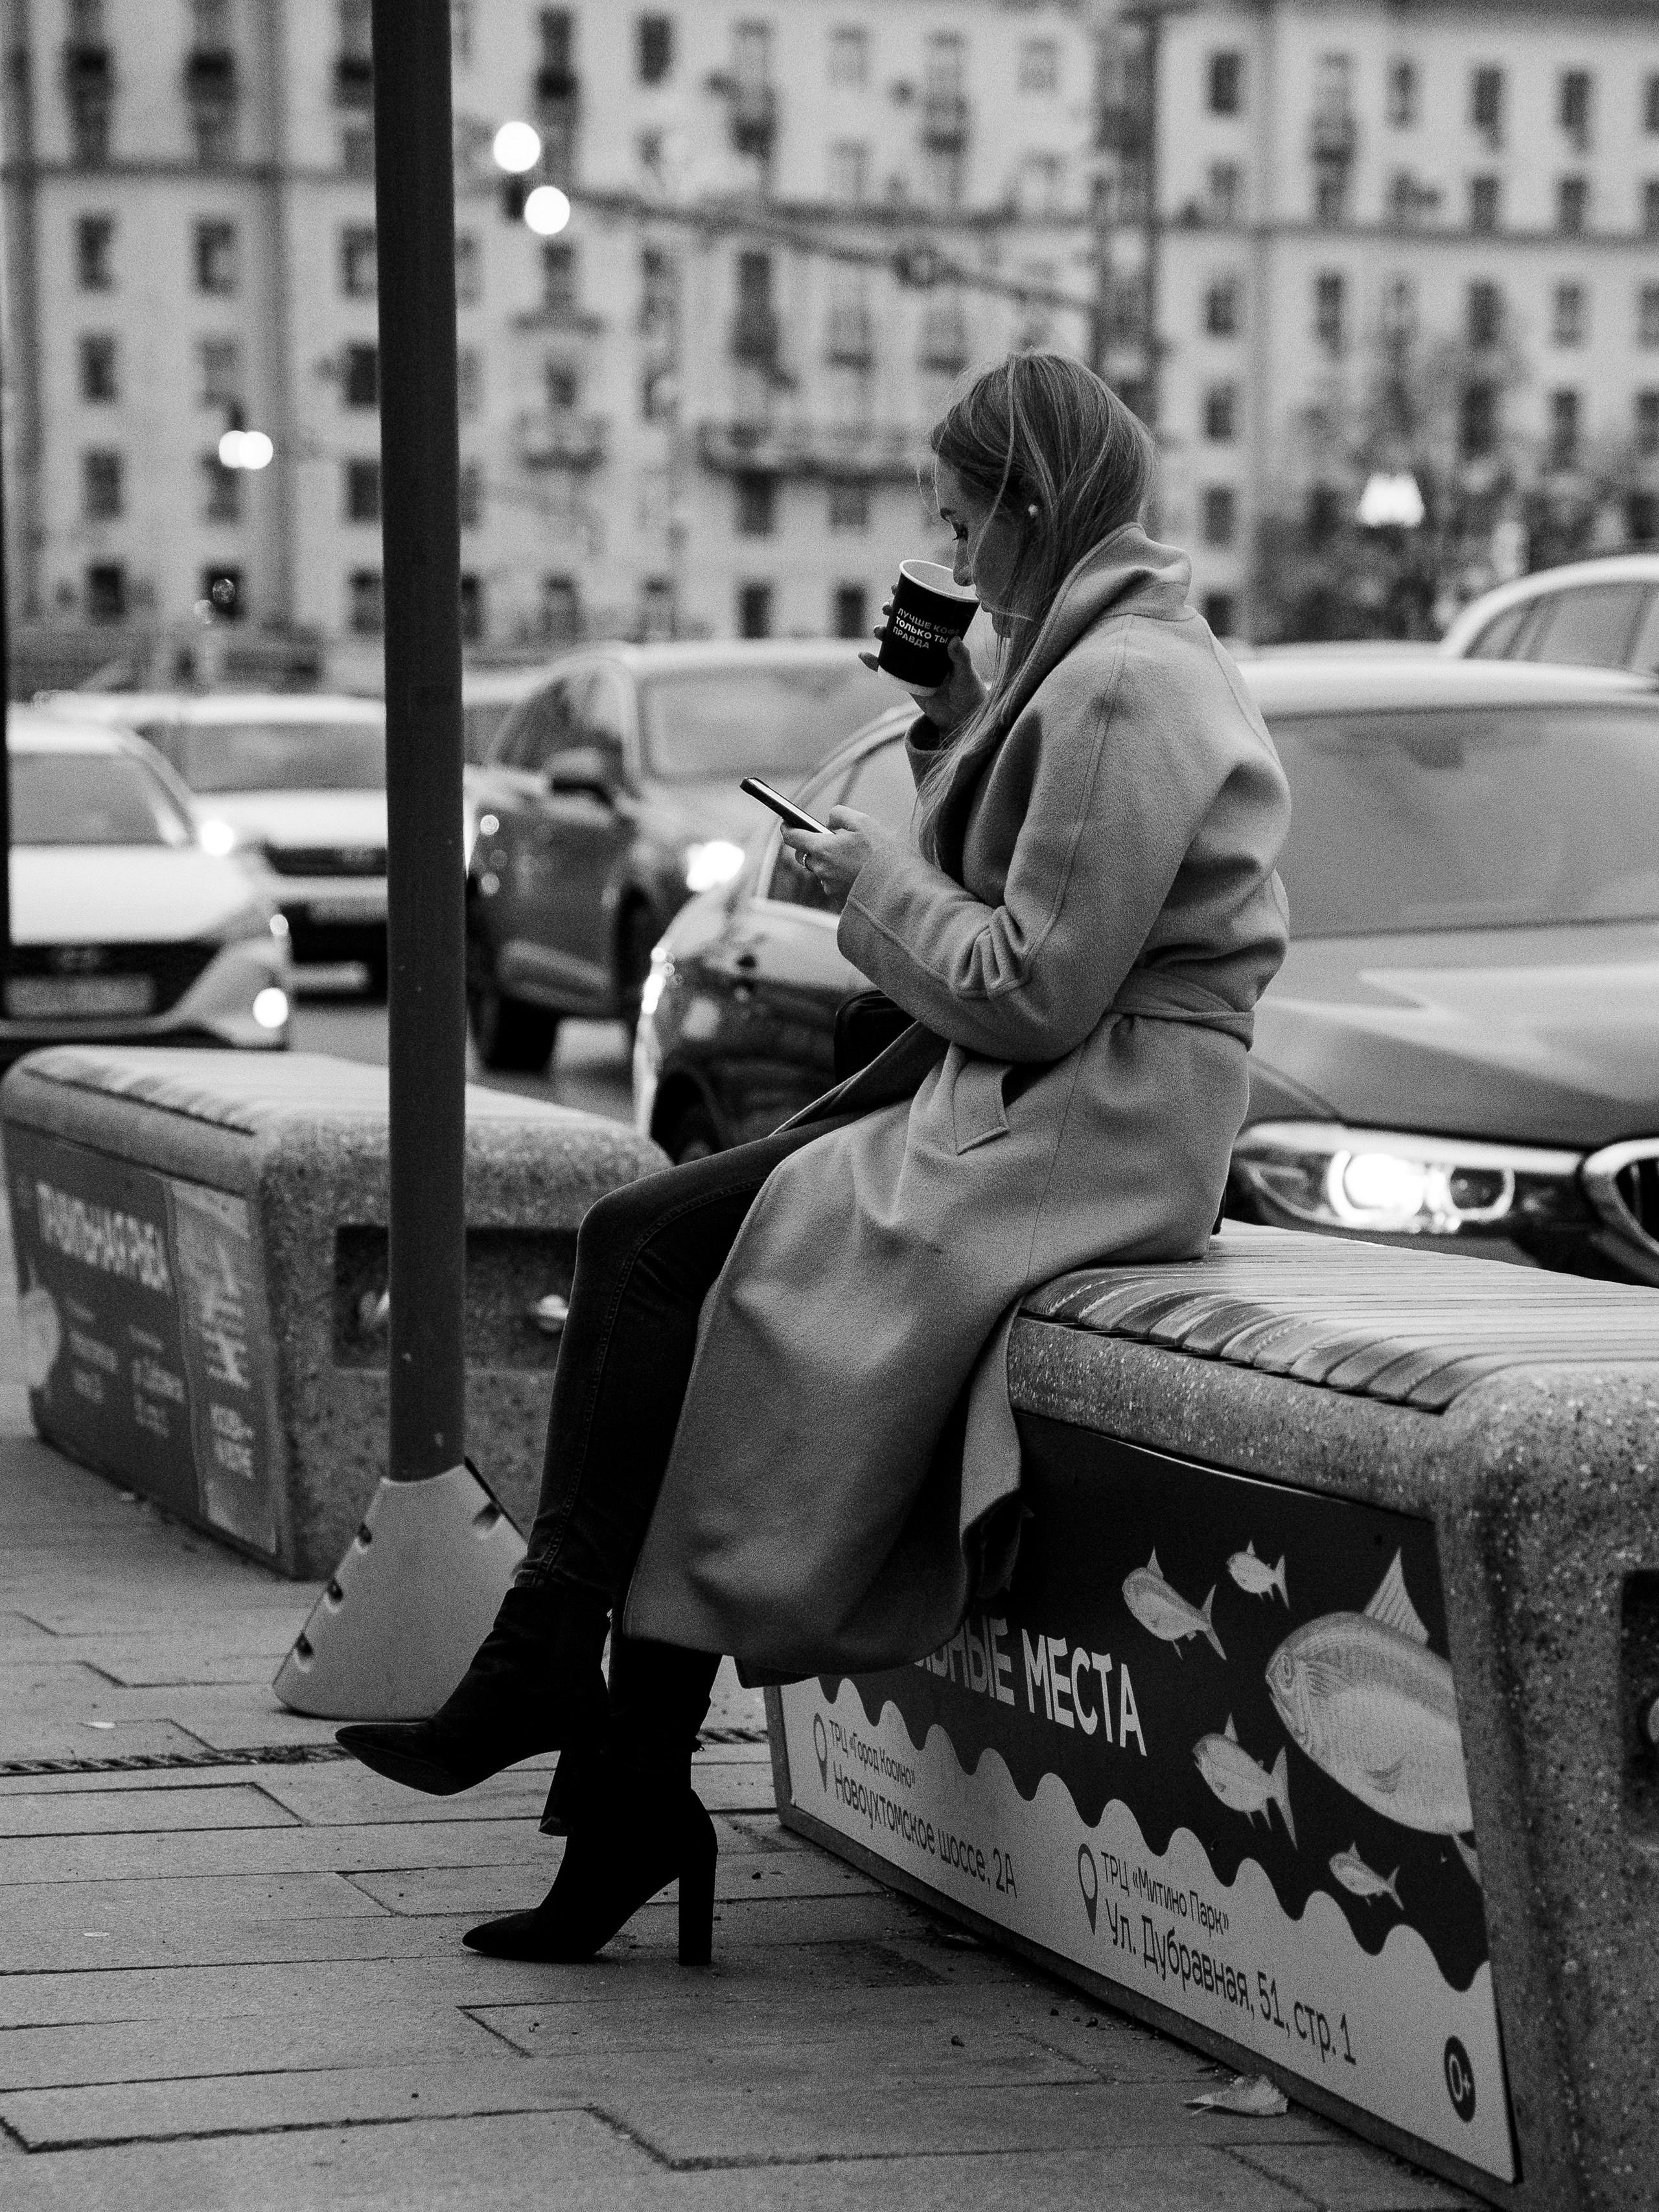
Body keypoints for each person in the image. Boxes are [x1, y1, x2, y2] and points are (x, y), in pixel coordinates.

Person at [338, 352, 1292, 1968]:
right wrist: (943, 735)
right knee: (651, 1240)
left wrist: (868, 884)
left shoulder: (1125, 679)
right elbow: (1026, 890)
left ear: (1032, 506)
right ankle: (591, 1728)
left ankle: (569, 1693)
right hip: (1032, 1096)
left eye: (959, 516)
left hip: (1089, 1118)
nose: (950, 553)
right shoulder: (1087, 662)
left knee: (688, 1265)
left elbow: (1032, 979)